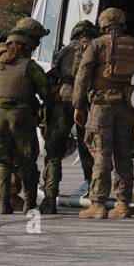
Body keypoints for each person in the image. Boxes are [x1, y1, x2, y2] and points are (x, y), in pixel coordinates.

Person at [72, 7, 134, 219]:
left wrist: (78, 105)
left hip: (101, 106)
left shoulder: (95, 45)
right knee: (123, 154)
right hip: (126, 107)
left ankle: (98, 204)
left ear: (103, 24)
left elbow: (82, 76)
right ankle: (123, 203)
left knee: (101, 154)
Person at [0, 17, 49, 211]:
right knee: (27, 161)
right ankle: (29, 204)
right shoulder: (29, 66)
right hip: (20, 116)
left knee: (2, 162)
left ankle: (3, 203)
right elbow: (46, 92)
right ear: (27, 45)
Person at [41, 20, 97, 214]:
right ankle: (95, 193)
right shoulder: (97, 49)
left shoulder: (65, 51)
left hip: (64, 103)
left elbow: (53, 74)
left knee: (54, 152)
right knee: (89, 149)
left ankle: (49, 198)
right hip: (89, 105)